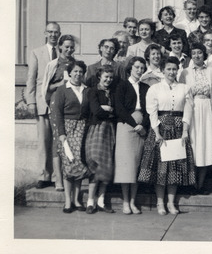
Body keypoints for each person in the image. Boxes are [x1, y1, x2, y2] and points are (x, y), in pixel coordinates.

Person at [138, 56, 196, 215]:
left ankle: (171, 203)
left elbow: (188, 111)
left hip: (178, 130)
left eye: (174, 69)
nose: (172, 72)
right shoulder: (155, 89)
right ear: (163, 70)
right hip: (161, 130)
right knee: (161, 168)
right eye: (168, 69)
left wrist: (185, 131)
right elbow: (152, 111)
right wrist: (156, 132)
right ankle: (160, 203)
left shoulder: (184, 88)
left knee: (174, 168)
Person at [25, 22, 62, 190]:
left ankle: (57, 176)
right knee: (43, 140)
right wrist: (31, 101)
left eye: (56, 32)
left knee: (57, 140)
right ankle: (43, 175)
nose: (53, 35)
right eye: (50, 32)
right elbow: (31, 79)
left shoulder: (64, 52)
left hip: (60, 103)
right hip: (42, 102)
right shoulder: (36, 53)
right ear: (45, 33)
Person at [52, 60, 91, 213]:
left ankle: (77, 199)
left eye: (81, 72)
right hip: (67, 129)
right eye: (75, 71)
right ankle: (68, 201)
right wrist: (61, 133)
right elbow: (57, 113)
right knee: (69, 163)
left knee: (80, 164)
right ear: (69, 73)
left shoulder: (87, 90)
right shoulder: (62, 90)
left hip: (83, 128)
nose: (78, 74)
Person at [179, 43, 212, 195]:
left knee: (205, 146)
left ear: (204, 54)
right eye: (193, 53)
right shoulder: (185, 73)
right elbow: (182, 94)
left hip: (207, 109)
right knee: (193, 146)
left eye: (199, 53)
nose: (196, 56)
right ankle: (191, 183)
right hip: (192, 110)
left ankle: (201, 184)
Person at [114, 57, 150, 214]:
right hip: (126, 127)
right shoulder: (121, 85)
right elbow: (119, 109)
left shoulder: (145, 87)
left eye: (142, 67)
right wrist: (135, 125)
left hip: (141, 130)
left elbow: (149, 109)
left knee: (136, 166)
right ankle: (126, 202)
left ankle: (134, 202)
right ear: (130, 68)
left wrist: (144, 126)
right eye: (137, 67)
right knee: (126, 167)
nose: (140, 70)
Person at [42, 34, 77, 192]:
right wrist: (60, 84)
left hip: (72, 107)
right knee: (58, 143)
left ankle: (71, 175)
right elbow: (46, 88)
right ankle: (58, 179)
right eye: (66, 46)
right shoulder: (53, 64)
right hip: (56, 106)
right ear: (60, 47)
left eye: (72, 47)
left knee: (71, 142)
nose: (69, 49)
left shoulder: (76, 64)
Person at [83, 65, 116, 214]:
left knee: (106, 165)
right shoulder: (93, 91)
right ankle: (90, 202)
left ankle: (101, 201)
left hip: (109, 131)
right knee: (95, 163)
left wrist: (108, 110)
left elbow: (117, 111)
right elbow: (95, 111)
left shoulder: (113, 92)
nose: (108, 80)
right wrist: (107, 110)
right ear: (99, 77)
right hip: (97, 129)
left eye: (110, 77)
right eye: (105, 77)